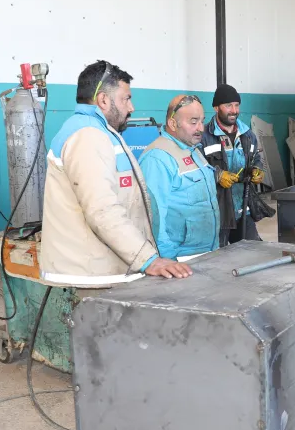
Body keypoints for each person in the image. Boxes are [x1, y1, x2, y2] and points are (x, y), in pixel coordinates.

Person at [40, 60, 192, 285]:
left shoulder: (98, 131)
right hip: (90, 273)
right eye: (126, 99)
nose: (131, 108)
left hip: (100, 268)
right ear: (103, 100)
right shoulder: (88, 136)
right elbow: (102, 209)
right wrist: (147, 260)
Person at [138, 95, 219, 260]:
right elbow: (153, 218)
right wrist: (169, 260)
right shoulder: (157, 158)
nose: (201, 128)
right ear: (173, 123)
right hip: (181, 259)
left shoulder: (193, 150)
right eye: (193, 122)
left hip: (207, 252)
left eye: (202, 121)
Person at [200, 83, 268, 246]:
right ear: (216, 107)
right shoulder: (204, 137)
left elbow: (255, 159)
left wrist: (257, 169)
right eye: (228, 105)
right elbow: (197, 169)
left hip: (243, 208)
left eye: (237, 105)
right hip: (218, 212)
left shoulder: (248, 135)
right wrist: (217, 175)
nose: (234, 110)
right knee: (218, 256)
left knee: (252, 251)